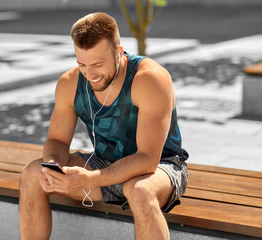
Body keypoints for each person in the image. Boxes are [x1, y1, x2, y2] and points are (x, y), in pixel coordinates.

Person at [19, 12, 188, 240]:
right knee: (32, 173)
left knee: (138, 191)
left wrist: (93, 178)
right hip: (103, 164)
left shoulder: (149, 79)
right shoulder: (69, 83)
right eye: (82, 65)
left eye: (97, 64)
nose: (90, 75)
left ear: (118, 52)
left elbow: (148, 159)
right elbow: (57, 141)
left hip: (161, 168)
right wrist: (54, 167)